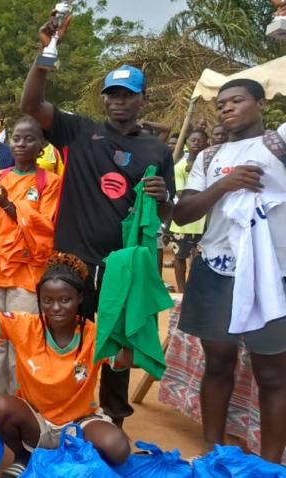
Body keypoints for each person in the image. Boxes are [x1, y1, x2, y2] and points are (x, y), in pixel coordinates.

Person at [22, 33, 174, 425]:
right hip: (74, 261)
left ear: (142, 100)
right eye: (112, 94)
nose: (118, 100)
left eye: (127, 94)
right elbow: (31, 104)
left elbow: (168, 213)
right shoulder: (78, 131)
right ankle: (62, 410)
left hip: (123, 268)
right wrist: (47, 51)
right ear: (104, 98)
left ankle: (112, 418)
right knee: (66, 335)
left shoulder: (157, 151)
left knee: (117, 344)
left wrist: (162, 199)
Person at [173, 79, 286, 463]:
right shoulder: (209, 157)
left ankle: (271, 463)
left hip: (271, 276)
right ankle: (212, 449)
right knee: (218, 363)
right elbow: (184, 212)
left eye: (236, 100)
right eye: (221, 104)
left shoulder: (278, 145)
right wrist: (225, 184)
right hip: (216, 269)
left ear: (260, 103)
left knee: (271, 373)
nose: (226, 108)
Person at [0, 254, 132, 476]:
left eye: (65, 299)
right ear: (39, 300)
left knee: (118, 448)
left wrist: (131, 319)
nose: (56, 308)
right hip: (36, 422)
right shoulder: (24, 325)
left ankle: (67, 460)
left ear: (79, 298)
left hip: (80, 424)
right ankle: (24, 457)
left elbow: (127, 360)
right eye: (47, 300)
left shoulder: (94, 335)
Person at [0, 116, 61, 394]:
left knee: (22, 343)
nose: (22, 143)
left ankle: (21, 407)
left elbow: (45, 227)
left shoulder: (51, 182)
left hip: (26, 274)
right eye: (16, 138)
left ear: (42, 146)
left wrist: (6, 203)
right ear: (8, 143)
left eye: (29, 138)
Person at [167, 128, 209, 293]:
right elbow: (179, 192)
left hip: (203, 221)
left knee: (199, 258)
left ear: (207, 143)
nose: (196, 143)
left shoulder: (210, 166)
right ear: (187, 143)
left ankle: (195, 289)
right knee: (179, 256)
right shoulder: (179, 167)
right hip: (182, 221)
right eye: (193, 140)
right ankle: (182, 290)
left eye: (200, 140)